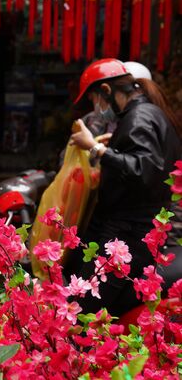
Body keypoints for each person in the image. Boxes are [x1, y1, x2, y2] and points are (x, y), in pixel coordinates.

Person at [65, 58, 182, 316]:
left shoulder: (139, 117)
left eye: (95, 99)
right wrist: (113, 147)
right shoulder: (148, 114)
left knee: (81, 312)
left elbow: (143, 169)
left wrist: (97, 148)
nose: (96, 108)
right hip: (134, 232)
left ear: (106, 91)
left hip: (127, 236)